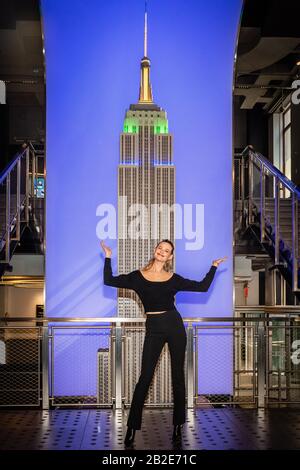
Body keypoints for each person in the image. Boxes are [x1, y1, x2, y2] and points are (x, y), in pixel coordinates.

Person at [100, 239, 227, 447]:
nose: (162, 252)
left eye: (167, 250)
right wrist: (107, 256)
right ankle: (131, 428)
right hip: (154, 327)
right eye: (160, 248)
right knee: (145, 377)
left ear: (170, 257)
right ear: (155, 250)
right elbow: (109, 280)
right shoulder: (137, 277)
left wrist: (213, 267)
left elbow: (202, 287)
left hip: (175, 325)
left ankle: (178, 426)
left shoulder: (173, 278)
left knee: (178, 376)